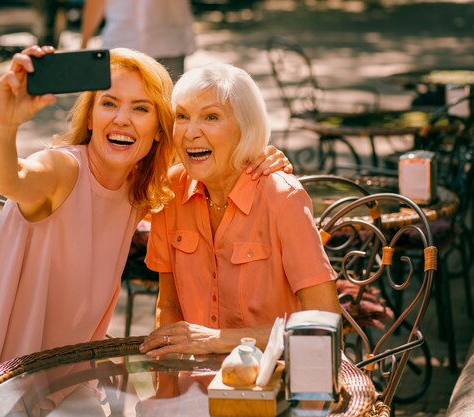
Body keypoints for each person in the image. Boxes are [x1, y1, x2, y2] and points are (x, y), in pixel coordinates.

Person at [0, 47, 290, 417]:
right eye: (109, 103)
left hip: (62, 382)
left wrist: (255, 155)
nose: (123, 119)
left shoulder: (141, 189)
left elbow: (209, 159)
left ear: (160, 132)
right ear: (91, 117)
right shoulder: (62, 170)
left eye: (140, 108)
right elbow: (6, 179)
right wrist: (3, 124)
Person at [139, 63, 341, 357]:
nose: (191, 132)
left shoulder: (282, 198)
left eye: (211, 117)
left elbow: (324, 323)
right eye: (182, 116)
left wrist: (219, 340)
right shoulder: (171, 191)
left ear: (245, 127)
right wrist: (166, 395)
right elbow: (168, 306)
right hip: (193, 383)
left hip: (274, 384)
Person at [80, 0, 195, 81]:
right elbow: (95, 3)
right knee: (120, 105)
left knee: (169, 108)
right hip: (120, 46)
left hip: (168, 45)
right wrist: (84, 44)